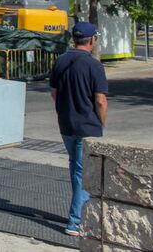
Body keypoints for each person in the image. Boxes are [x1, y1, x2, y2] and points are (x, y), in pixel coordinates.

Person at [50, 21, 108, 236]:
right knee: (82, 173)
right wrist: (101, 124)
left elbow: (54, 93)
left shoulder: (60, 60)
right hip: (87, 126)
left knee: (76, 168)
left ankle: (80, 214)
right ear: (92, 40)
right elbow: (100, 100)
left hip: (66, 124)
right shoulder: (94, 65)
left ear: (74, 39)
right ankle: (76, 221)